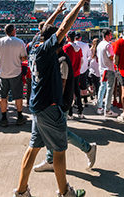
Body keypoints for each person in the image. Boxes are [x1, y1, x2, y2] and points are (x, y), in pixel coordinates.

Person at [13, 0, 90, 197]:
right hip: (49, 106)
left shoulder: (34, 46)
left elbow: (46, 28)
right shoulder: (47, 50)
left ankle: (21, 191)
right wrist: (79, 5)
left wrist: (55, 12)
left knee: (33, 147)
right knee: (59, 150)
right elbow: (63, 27)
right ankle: (65, 192)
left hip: (37, 105)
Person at [32, 34, 97, 173]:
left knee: (61, 133)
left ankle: (88, 148)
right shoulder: (60, 56)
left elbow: (61, 83)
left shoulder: (62, 59)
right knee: (56, 132)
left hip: (61, 102)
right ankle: (50, 159)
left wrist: (56, 102)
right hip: (59, 101)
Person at [0, 24, 28, 127]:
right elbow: (24, 58)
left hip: (3, 73)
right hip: (16, 73)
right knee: (18, 96)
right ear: (13, 31)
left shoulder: (0, 42)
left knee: (2, 96)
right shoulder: (19, 42)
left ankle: (4, 118)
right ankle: (20, 117)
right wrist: (18, 59)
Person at [95, 29, 118, 118]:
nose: (111, 36)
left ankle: (100, 107)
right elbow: (112, 57)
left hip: (102, 69)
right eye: (111, 35)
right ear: (107, 36)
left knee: (102, 88)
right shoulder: (108, 45)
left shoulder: (100, 44)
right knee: (109, 89)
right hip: (108, 69)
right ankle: (107, 109)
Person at [63, 31, 83, 119]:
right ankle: (80, 112)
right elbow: (82, 61)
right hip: (77, 72)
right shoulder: (79, 48)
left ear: (68, 38)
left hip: (69, 73)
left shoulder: (66, 48)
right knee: (77, 92)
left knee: (69, 93)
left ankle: (70, 113)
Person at [75, 32, 91, 106]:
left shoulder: (71, 45)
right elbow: (89, 56)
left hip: (75, 68)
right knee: (83, 85)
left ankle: (76, 102)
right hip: (83, 68)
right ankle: (85, 101)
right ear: (80, 37)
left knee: (75, 86)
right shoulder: (85, 45)